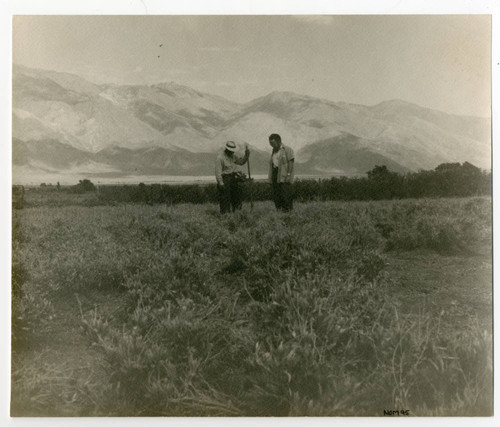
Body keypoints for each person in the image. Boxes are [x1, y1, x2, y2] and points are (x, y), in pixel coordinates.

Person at [215, 140, 250, 214]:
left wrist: (246, 155)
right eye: (231, 151)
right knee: (225, 199)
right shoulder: (220, 158)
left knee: (237, 197)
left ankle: (237, 214)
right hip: (225, 179)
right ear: (227, 149)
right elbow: (218, 172)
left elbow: (241, 162)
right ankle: (226, 216)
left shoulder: (233, 156)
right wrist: (221, 183)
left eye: (233, 151)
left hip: (234, 179)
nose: (232, 152)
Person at [268, 133, 294, 212]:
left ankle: (288, 212)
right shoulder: (273, 151)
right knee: (276, 194)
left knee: (285, 194)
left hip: (284, 175)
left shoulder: (287, 149)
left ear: (278, 141)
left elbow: (290, 162)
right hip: (275, 174)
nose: (271, 145)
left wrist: (289, 174)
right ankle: (279, 211)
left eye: (273, 143)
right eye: (270, 143)